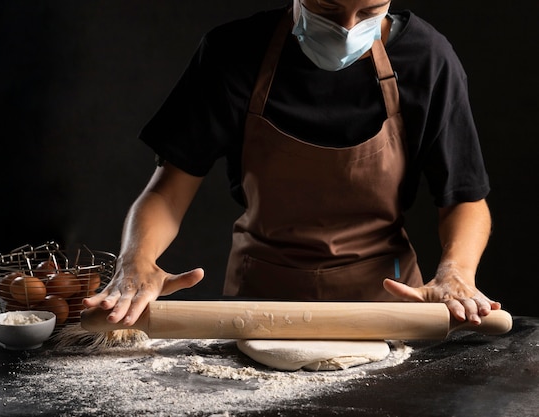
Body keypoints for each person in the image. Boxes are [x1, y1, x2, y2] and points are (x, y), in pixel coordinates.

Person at [84, 0, 501, 328]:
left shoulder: (428, 59)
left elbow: (465, 198)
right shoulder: (232, 53)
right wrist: (135, 261)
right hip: (259, 302)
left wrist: (456, 271)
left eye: (370, 12)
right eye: (327, 9)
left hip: (385, 303)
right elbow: (168, 190)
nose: (348, 27)